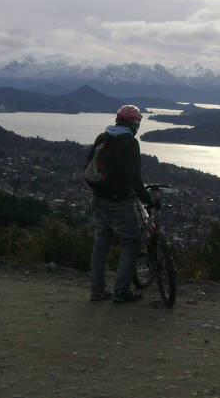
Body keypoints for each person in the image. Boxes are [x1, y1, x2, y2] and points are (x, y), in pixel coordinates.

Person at [85, 104, 158, 303]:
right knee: (132, 241)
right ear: (134, 124)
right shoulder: (129, 143)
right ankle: (121, 291)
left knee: (101, 245)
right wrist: (147, 199)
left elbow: (88, 166)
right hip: (118, 202)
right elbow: (134, 176)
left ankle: (97, 291)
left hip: (99, 199)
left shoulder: (103, 138)